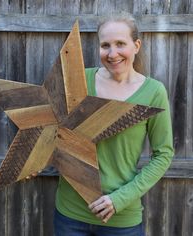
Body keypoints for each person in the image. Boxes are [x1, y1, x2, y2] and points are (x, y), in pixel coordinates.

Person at [54, 12, 174, 236]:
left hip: (121, 220)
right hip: (69, 215)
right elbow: (51, 131)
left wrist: (120, 199)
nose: (112, 53)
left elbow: (163, 154)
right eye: (105, 45)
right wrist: (34, 157)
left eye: (120, 44)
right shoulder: (78, 81)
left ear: (136, 45)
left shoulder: (154, 92)